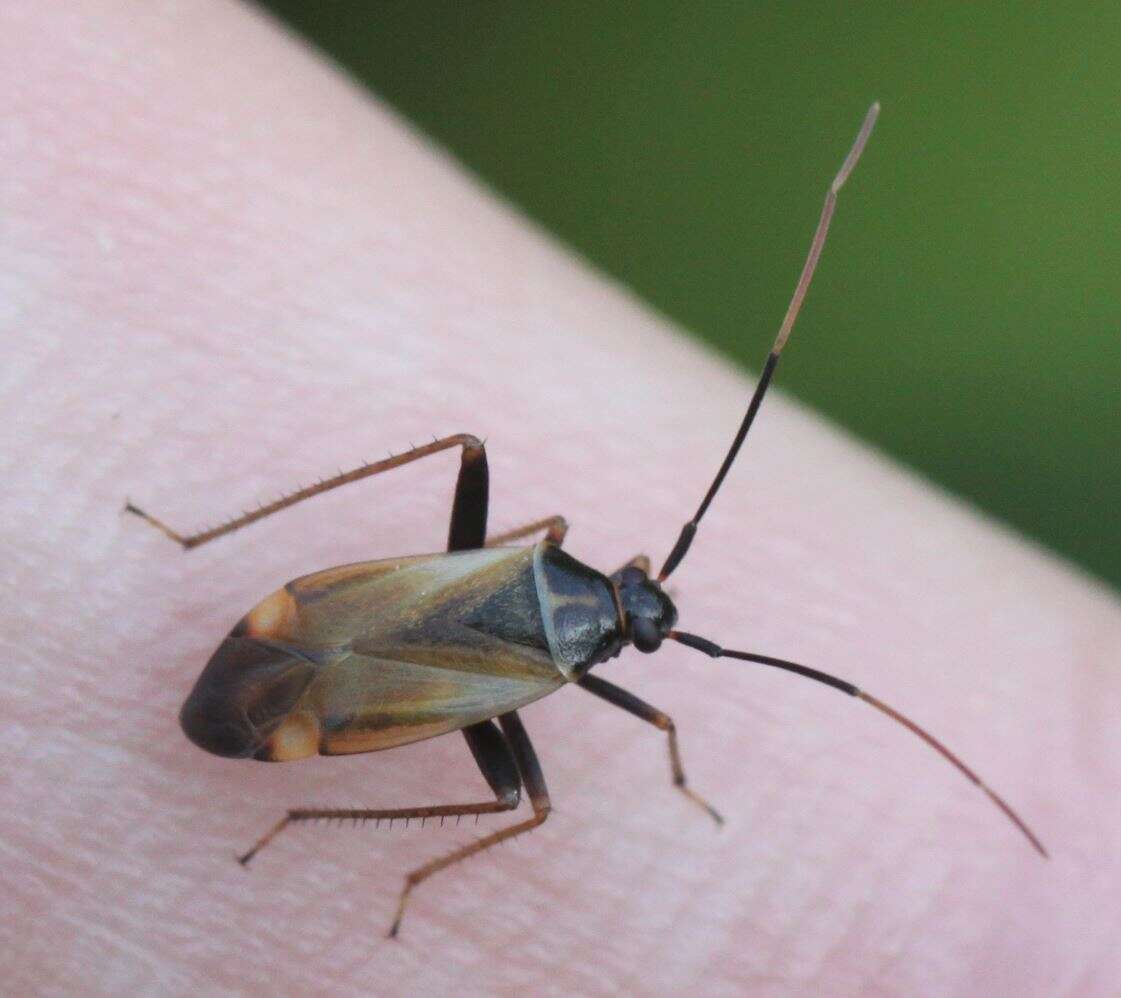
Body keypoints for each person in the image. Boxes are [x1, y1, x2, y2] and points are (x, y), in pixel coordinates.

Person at [4, 3, 1116, 993]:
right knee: (524, 805)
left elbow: (555, 544)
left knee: (464, 449)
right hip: (374, 679)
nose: (640, 596)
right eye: (640, 593)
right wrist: (669, 758)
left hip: (326, 619)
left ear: (622, 585)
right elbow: (662, 707)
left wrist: (537, 556)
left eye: (638, 597)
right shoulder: (566, 665)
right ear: (621, 608)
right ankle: (302, 796)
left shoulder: (545, 553)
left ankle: (210, 572)